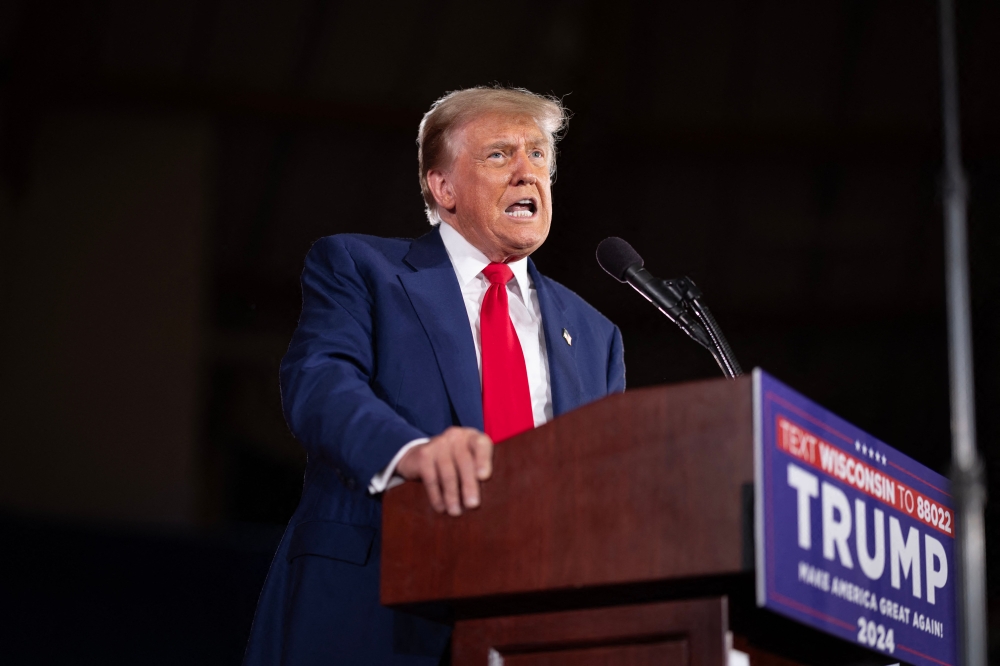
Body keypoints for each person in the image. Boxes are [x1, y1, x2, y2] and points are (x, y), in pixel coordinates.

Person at [243, 86, 626, 665]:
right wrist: (411, 454)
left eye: (538, 155)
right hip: (378, 611)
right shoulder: (362, 269)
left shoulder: (596, 335)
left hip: (537, 631)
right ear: (443, 187)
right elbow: (320, 383)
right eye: (499, 154)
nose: (527, 172)